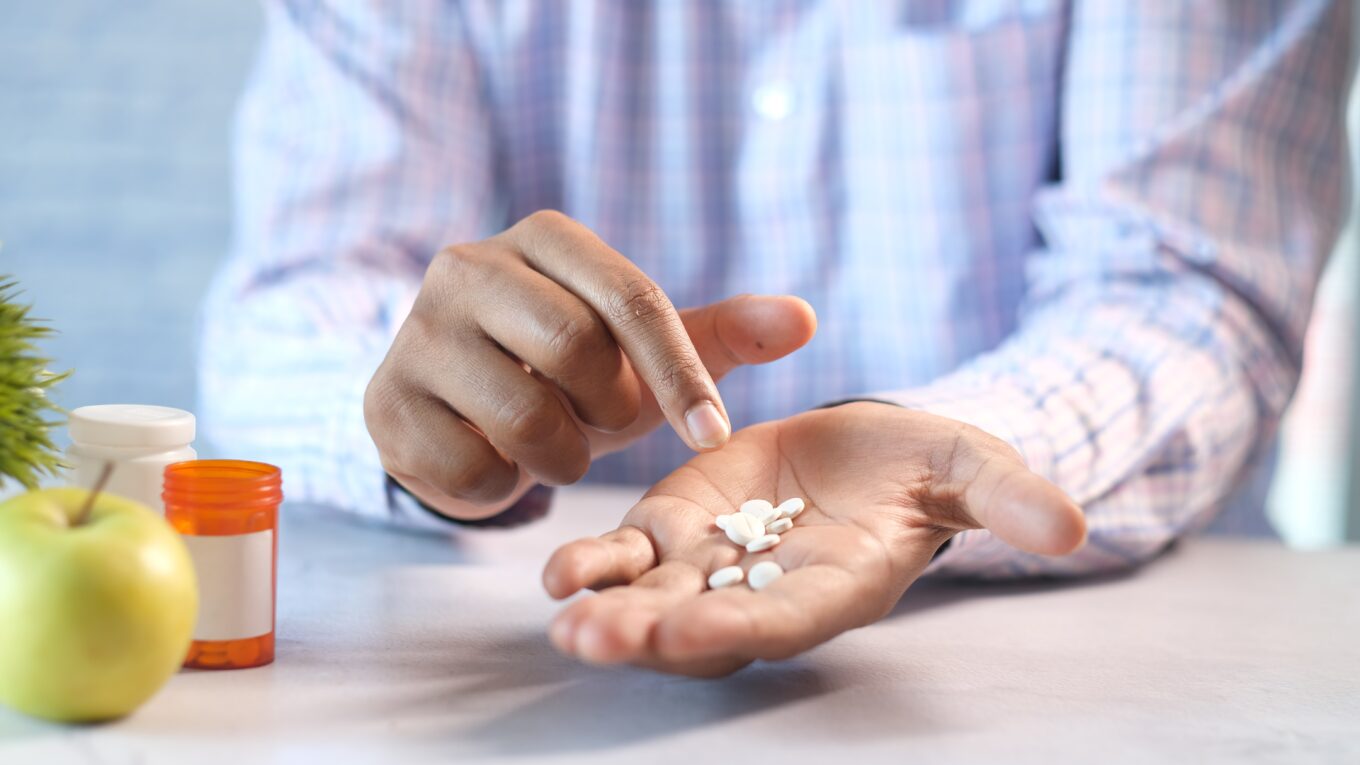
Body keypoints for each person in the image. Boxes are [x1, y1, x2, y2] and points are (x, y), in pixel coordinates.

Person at [200, 0, 1353, 676]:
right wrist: (431, 407)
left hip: (1102, 667)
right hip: (521, 649)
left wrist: (945, 450)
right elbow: (293, 303)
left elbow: (1185, 284)